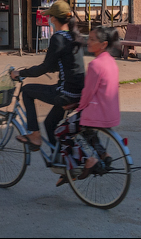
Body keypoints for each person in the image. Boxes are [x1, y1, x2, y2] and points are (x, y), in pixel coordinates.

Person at [52, 25, 122, 186]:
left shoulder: (95, 65)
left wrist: (77, 107)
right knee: (84, 130)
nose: (87, 42)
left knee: (61, 131)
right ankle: (103, 154)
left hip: (96, 114)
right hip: (110, 114)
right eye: (88, 38)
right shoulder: (111, 62)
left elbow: (88, 93)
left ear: (103, 44)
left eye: (92, 40)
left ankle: (86, 160)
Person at [10, 1, 85, 151]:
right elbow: (65, 63)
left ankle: (35, 135)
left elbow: (44, 67)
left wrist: (20, 73)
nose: (50, 20)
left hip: (65, 92)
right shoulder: (73, 37)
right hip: (78, 92)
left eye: (50, 17)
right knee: (49, 124)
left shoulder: (58, 38)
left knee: (27, 91)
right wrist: (53, 68)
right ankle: (62, 165)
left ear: (54, 19)